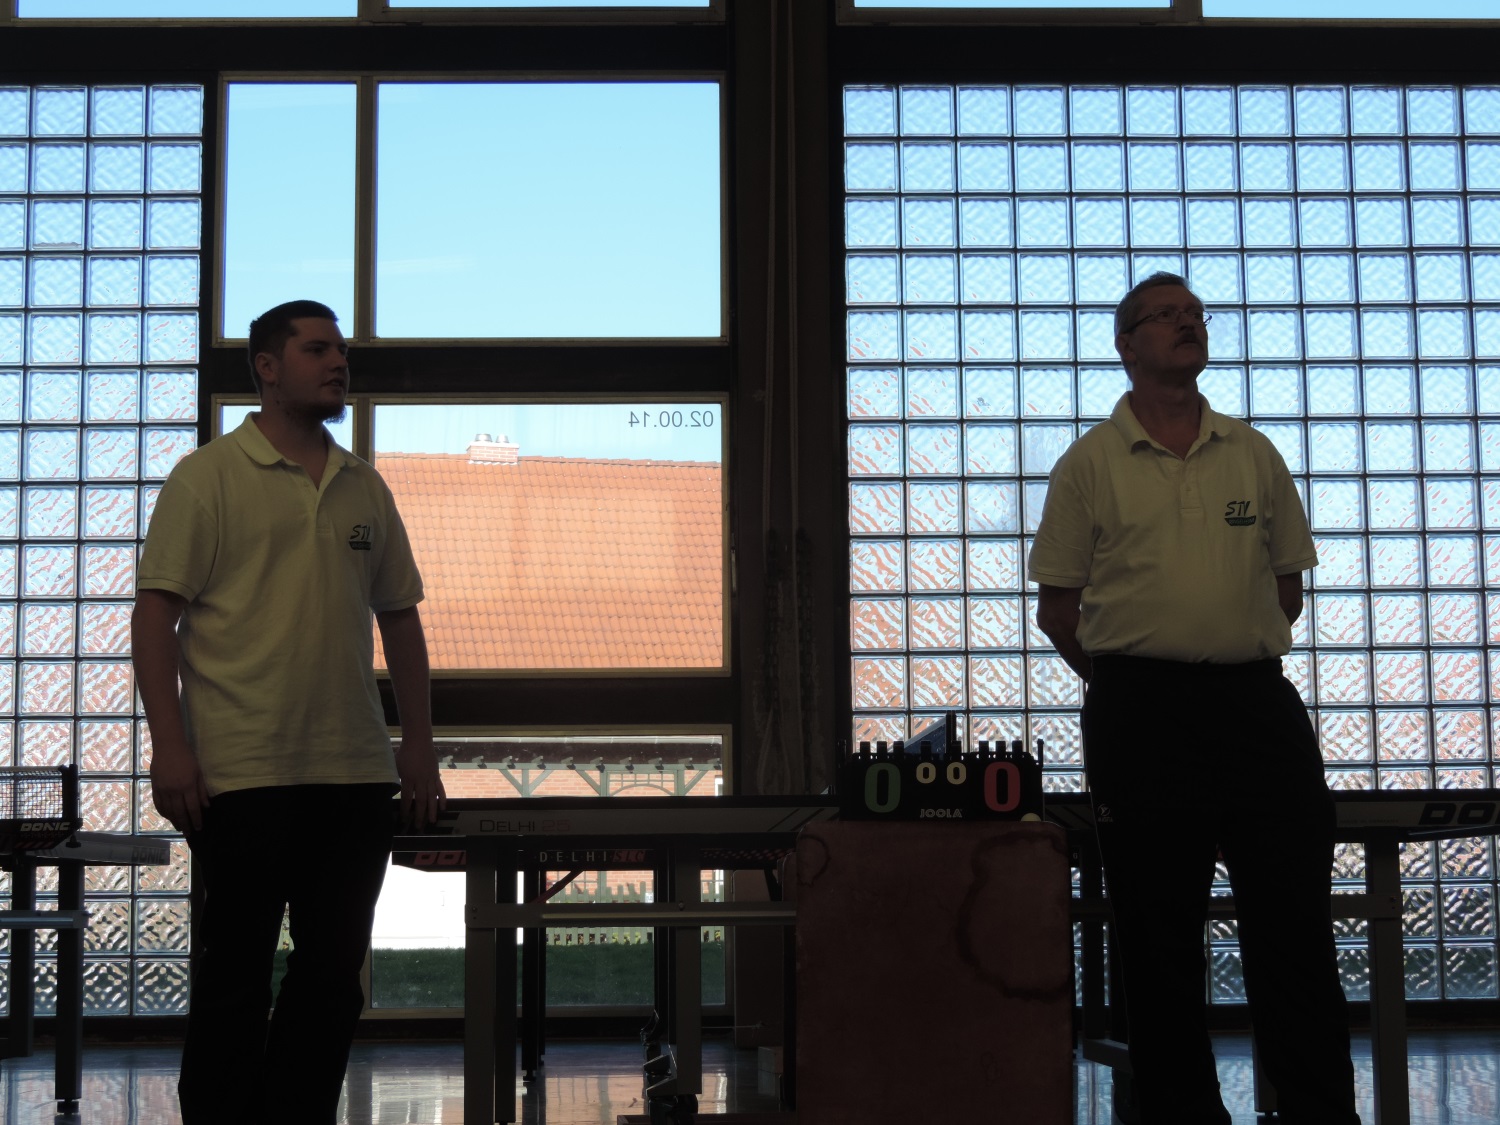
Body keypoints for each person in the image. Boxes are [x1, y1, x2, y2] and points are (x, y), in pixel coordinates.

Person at [1028, 273, 1360, 1125]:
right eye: (1165, 315)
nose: (1187, 323)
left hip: (1255, 704)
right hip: (1140, 711)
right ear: (1126, 345)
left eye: (1195, 314)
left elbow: (1287, 587)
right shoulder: (1088, 464)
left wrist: (1221, 644)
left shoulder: (1252, 452)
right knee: (1158, 931)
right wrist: (1133, 678)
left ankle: (1319, 1111)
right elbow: (1058, 611)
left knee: (1293, 923)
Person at [131, 299, 445, 1125]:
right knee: (234, 972)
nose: (338, 362)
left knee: (333, 976)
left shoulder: (363, 485)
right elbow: (154, 617)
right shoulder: (208, 478)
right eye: (316, 349)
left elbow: (401, 620)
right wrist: (170, 747)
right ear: (267, 368)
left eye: (341, 350)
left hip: (354, 774)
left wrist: (419, 745)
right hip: (242, 773)